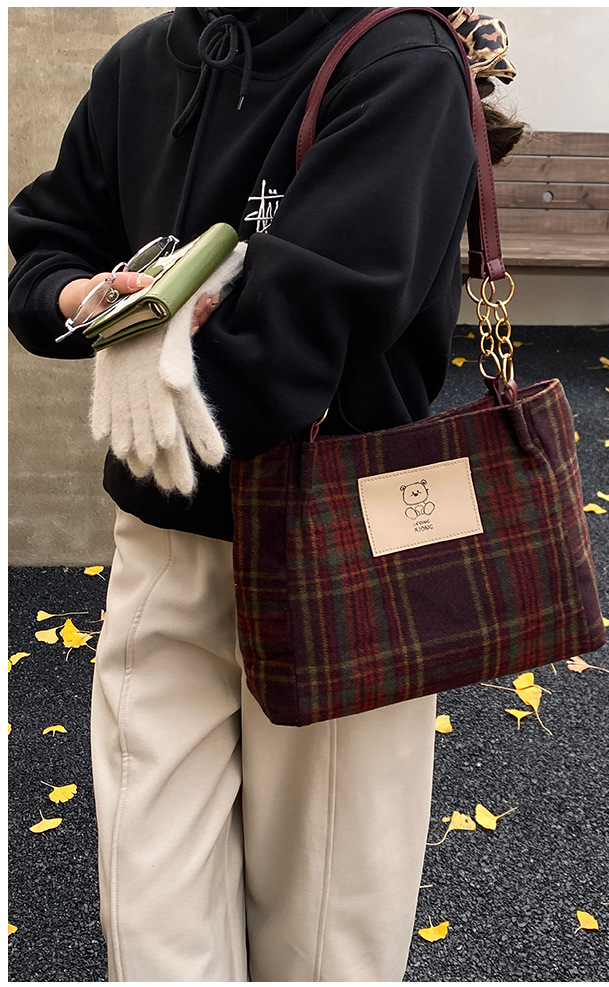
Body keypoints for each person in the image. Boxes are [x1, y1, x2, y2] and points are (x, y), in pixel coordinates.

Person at [8, 7, 523, 982]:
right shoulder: (144, 61)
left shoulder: (401, 59)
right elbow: (49, 244)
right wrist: (89, 302)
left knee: (324, 932)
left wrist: (163, 354)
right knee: (154, 920)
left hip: (341, 541)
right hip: (168, 541)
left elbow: (313, 319)